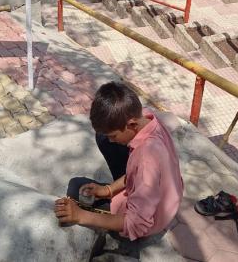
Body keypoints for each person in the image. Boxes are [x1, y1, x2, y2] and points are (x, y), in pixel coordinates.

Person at [54, 81, 183, 241]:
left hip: (147, 223)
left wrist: (80, 216)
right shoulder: (150, 118)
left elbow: (136, 224)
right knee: (101, 139)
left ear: (132, 124)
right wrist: (108, 190)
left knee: (75, 188)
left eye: (113, 136)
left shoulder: (146, 160)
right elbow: (134, 174)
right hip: (164, 201)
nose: (112, 140)